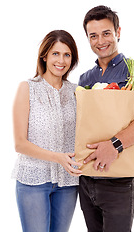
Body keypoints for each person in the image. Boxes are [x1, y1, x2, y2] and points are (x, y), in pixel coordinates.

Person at [78, 6, 134, 232]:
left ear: (118, 32)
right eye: (93, 35)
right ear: (87, 39)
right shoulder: (85, 78)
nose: (100, 41)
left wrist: (114, 145)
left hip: (119, 182)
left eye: (106, 33)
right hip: (86, 178)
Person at [12, 30, 82, 232]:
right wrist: (57, 157)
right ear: (44, 56)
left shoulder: (77, 92)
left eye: (67, 55)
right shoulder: (28, 88)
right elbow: (19, 143)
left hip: (68, 182)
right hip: (33, 180)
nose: (61, 60)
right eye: (55, 54)